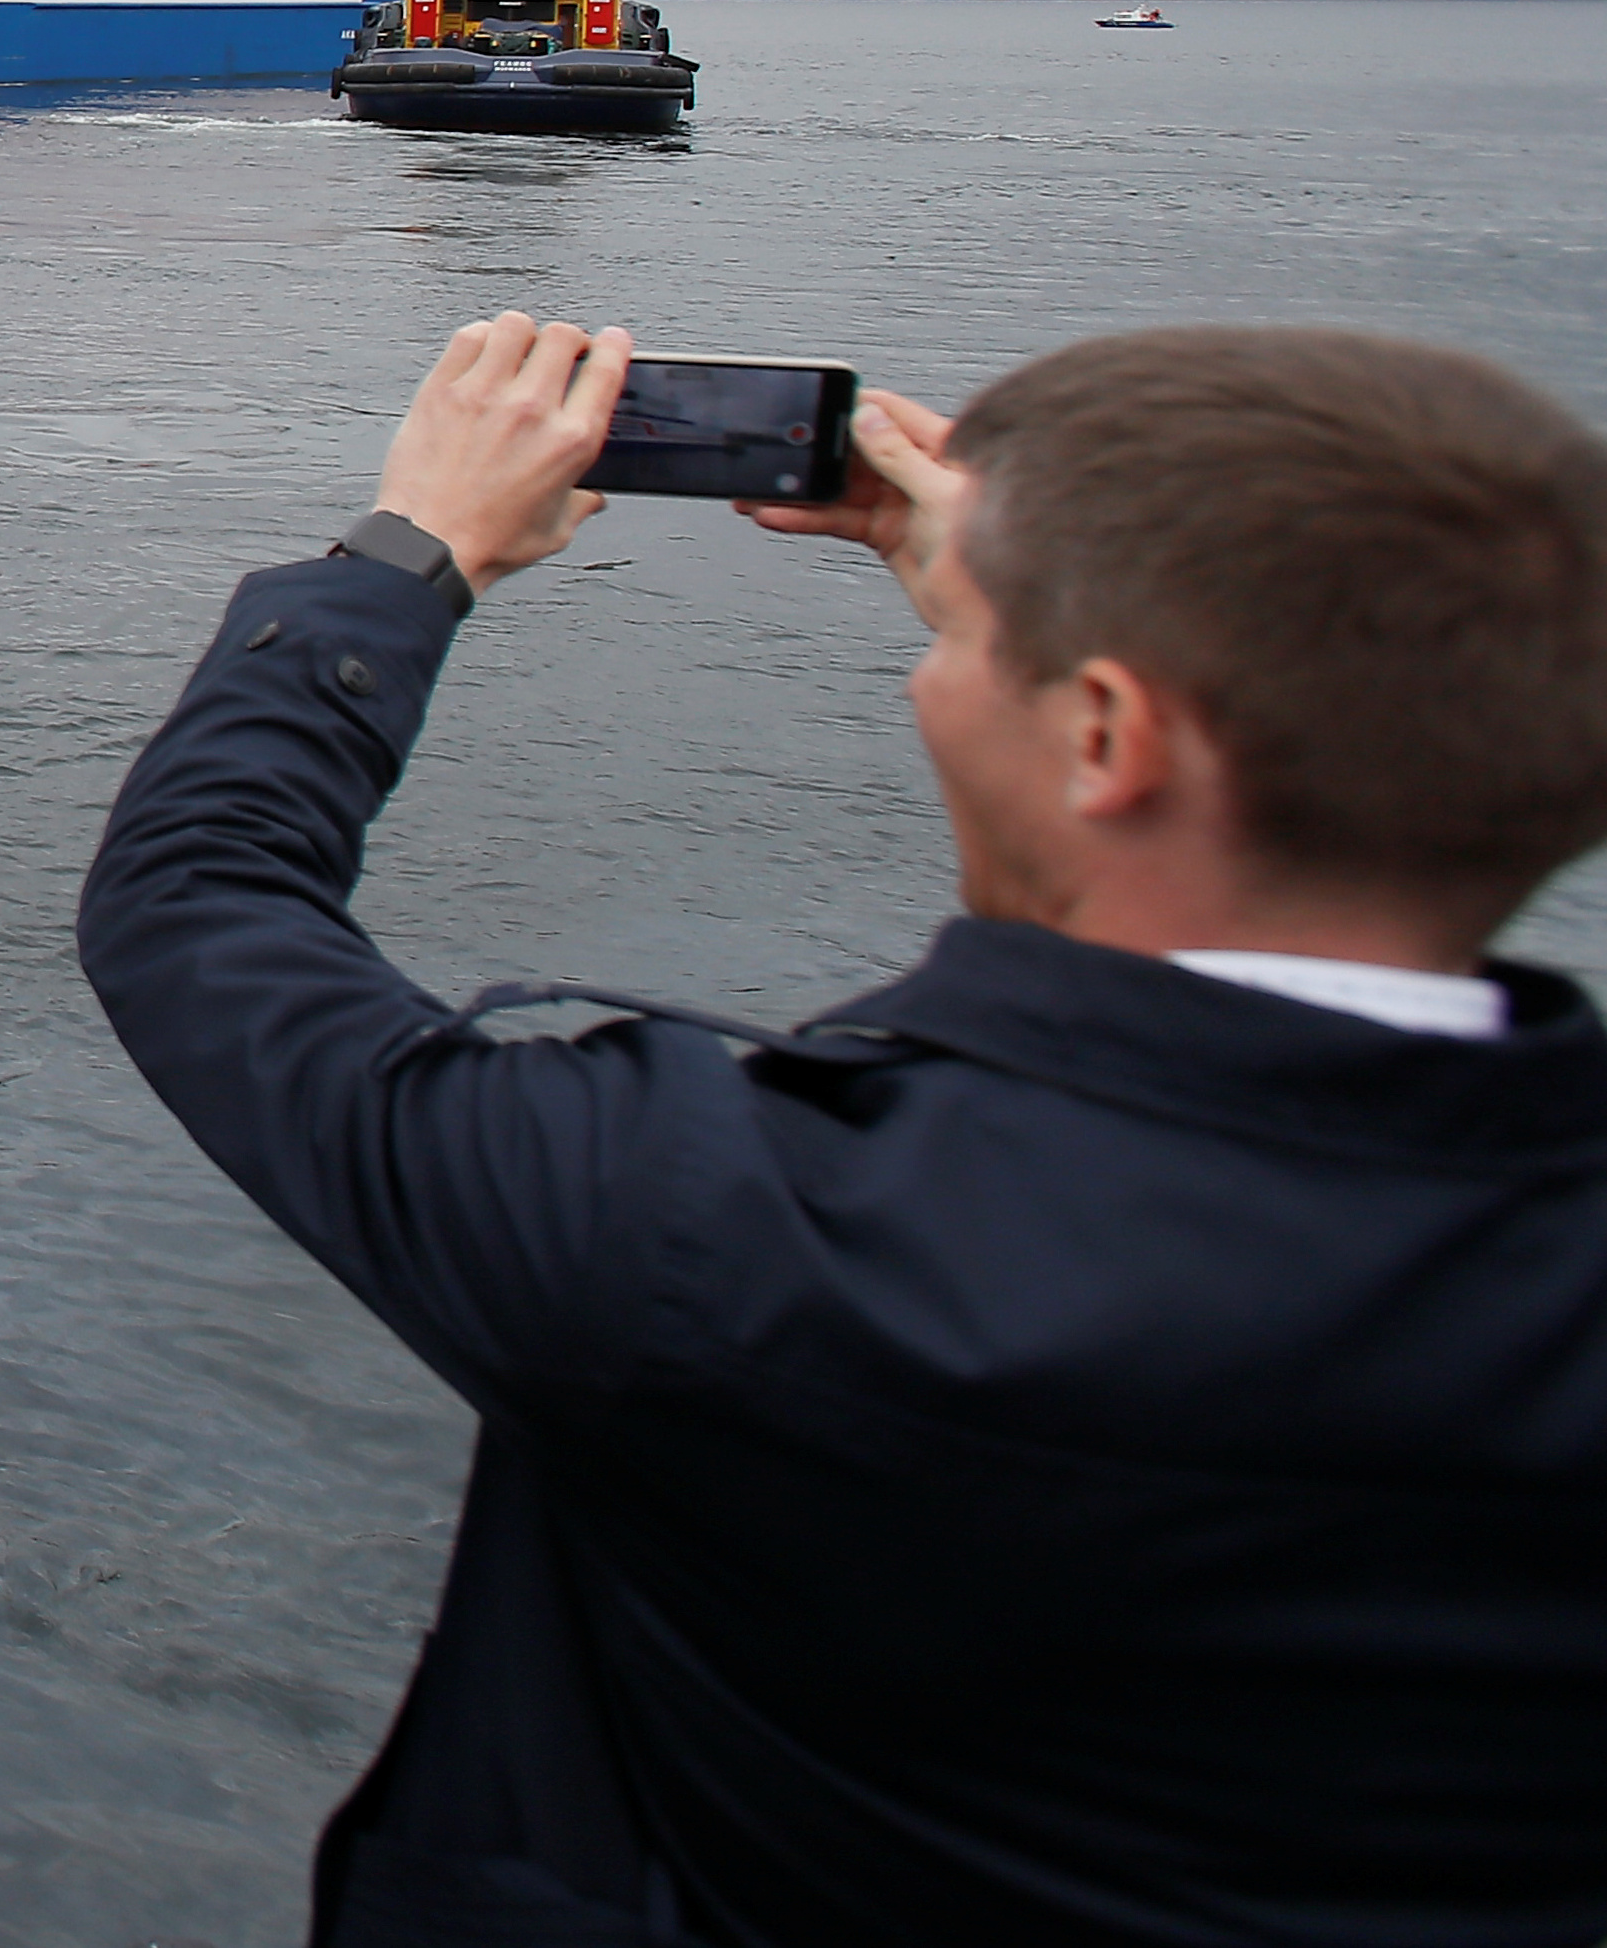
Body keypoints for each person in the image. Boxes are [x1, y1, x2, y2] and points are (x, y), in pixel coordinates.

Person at [80, 313, 1607, 1945]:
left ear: (1106, 736)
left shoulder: (726, 1224)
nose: (926, 682)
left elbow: (199, 905)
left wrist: (407, 554)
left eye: (960, 654)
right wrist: (1024, 607)